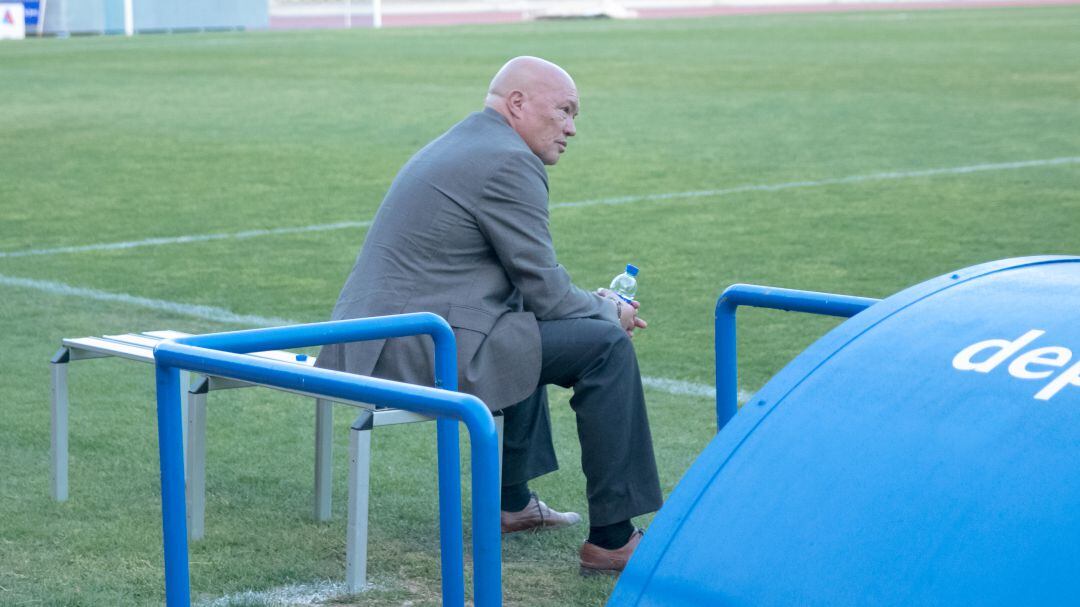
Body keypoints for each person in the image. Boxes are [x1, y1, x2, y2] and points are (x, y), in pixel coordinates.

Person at [317, 56, 662, 574]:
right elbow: (546, 290)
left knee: (523, 327)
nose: (571, 127)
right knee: (604, 348)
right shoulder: (507, 159)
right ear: (518, 104)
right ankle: (613, 539)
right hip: (410, 344)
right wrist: (608, 312)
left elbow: (532, 288)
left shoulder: (471, 141)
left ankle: (512, 503)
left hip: (380, 336)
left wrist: (592, 306)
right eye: (565, 111)